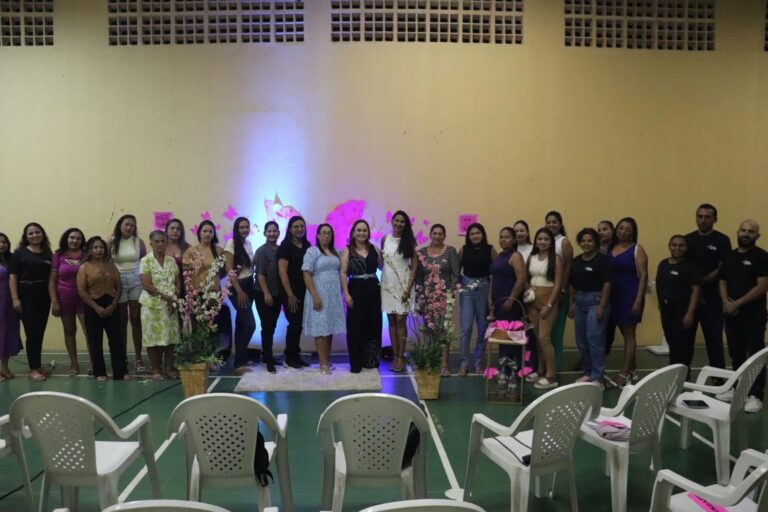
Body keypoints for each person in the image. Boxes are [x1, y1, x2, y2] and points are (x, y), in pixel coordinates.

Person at [719, 220, 768, 413]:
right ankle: (738, 389)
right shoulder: (729, 256)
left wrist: (737, 304)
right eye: (743, 230)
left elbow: (762, 286)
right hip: (732, 315)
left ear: (757, 236)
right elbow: (722, 281)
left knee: (755, 355)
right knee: (736, 353)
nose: (746, 234)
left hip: (753, 315)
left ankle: (755, 395)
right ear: (737, 232)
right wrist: (726, 302)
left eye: (751, 231)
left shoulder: (762, 257)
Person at [77, 236, 130, 381]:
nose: (99, 250)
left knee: (116, 339)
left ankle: (120, 372)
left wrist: (113, 305)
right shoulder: (84, 267)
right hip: (93, 306)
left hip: (111, 305)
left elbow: (119, 288)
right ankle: (99, 372)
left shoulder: (111, 266)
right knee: (95, 340)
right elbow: (81, 291)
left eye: (101, 247)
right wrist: (96, 308)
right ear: (89, 250)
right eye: (95, 247)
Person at [685, 204, 730, 372]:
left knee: (714, 342)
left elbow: (722, 268)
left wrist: (700, 282)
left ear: (715, 219)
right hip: (689, 300)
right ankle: (683, 380)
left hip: (713, 300)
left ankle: (719, 381)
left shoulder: (722, 240)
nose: (703, 220)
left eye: (707, 217)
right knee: (685, 342)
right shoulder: (687, 240)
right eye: (700, 216)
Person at [607, 217, 648, 388]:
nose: (623, 232)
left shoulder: (638, 249)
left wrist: (638, 300)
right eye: (621, 228)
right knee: (624, 334)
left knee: (629, 334)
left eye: (628, 229)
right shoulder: (611, 247)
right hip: (613, 296)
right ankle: (633, 369)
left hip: (630, 295)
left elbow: (643, 276)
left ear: (633, 232)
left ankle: (623, 374)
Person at [568, 228, 612, 389]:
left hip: (596, 302)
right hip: (579, 301)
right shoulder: (576, 261)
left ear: (596, 243)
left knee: (595, 339)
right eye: (583, 241)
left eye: (590, 241)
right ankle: (587, 372)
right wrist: (571, 303)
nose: (586, 243)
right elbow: (571, 284)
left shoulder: (603, 261)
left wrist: (602, 306)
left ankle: (598, 378)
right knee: (581, 340)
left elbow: (607, 284)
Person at [9, 222, 53, 382]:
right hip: (26, 296)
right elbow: (13, 276)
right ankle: (33, 369)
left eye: (37, 232)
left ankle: (37, 366)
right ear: (26, 237)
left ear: (43, 234)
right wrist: (15, 299)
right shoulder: (19, 253)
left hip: (44, 297)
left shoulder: (48, 254)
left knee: (39, 333)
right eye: (31, 233)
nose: (35, 235)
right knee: (32, 333)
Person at [183, 220, 231, 361]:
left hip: (214, 294)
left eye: (211, 231)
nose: (208, 234)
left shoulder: (219, 250)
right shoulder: (191, 251)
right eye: (205, 231)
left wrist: (214, 281)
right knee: (199, 327)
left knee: (214, 327)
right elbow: (186, 273)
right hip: (197, 295)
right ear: (199, 233)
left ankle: (213, 358)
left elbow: (224, 271)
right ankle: (200, 358)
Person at [415, 224, 459, 376]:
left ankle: (444, 363)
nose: (437, 236)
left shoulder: (450, 251)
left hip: (444, 298)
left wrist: (449, 294)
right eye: (435, 233)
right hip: (427, 297)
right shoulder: (422, 252)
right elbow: (419, 277)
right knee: (429, 329)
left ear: (444, 236)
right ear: (430, 234)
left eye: (440, 234)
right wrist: (420, 296)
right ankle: (431, 360)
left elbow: (456, 274)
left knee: (443, 330)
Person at [302, 224, 346, 374]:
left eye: (329, 233)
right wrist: (315, 295)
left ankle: (327, 360)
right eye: (323, 233)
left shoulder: (336, 251)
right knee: (321, 329)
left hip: (333, 296)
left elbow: (342, 272)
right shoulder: (312, 251)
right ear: (318, 235)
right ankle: (322, 364)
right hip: (318, 294)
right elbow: (306, 274)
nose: (326, 235)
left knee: (329, 328)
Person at [340, 220, 382, 373]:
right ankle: (356, 363)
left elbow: (382, 267)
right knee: (355, 326)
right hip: (355, 290)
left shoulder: (374, 249)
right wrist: (346, 294)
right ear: (353, 232)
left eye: (364, 230)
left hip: (373, 290)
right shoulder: (347, 250)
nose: (362, 233)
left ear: (368, 233)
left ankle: (371, 361)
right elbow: (343, 272)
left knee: (373, 324)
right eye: (359, 230)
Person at [488, 227, 527, 389]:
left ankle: (513, 373)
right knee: (502, 339)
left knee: (512, 339)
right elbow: (493, 278)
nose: (503, 240)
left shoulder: (515, 256)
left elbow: (521, 279)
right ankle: (503, 369)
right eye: (501, 237)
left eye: (507, 237)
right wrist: (490, 299)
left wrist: (511, 299)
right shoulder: (499, 256)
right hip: (498, 304)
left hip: (511, 304)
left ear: (514, 240)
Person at [139, 230, 181, 381]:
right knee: (153, 339)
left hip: (170, 305)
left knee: (170, 339)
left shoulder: (171, 261)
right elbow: (146, 285)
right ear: (151, 243)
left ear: (167, 242)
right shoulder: (146, 261)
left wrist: (174, 298)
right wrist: (166, 298)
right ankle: (156, 369)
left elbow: (177, 283)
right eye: (156, 241)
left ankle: (168, 368)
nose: (160, 244)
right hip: (151, 306)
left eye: (163, 241)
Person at [656, 235, 701, 374]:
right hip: (667, 311)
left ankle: (684, 375)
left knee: (683, 345)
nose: (677, 248)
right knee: (672, 343)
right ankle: (674, 373)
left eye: (681, 245)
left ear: (686, 248)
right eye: (674, 245)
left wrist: (690, 313)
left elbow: (696, 290)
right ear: (669, 246)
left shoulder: (690, 267)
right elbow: (659, 284)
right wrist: (661, 304)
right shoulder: (663, 264)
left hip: (683, 311)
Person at [525, 227, 563, 389]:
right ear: (535, 241)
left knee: (544, 338)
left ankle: (551, 376)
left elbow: (558, 285)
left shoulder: (556, 259)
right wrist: (528, 296)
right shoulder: (531, 257)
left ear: (551, 242)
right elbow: (527, 279)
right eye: (539, 239)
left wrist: (549, 305)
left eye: (546, 239)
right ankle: (541, 370)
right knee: (536, 337)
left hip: (548, 300)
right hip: (533, 301)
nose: (542, 242)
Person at [108, 214, 147, 373]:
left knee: (136, 319)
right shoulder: (111, 241)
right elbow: (105, 262)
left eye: (132, 225)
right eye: (126, 224)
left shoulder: (139, 242)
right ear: (120, 225)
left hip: (136, 280)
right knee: (121, 320)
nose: (129, 227)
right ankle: (123, 356)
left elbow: (145, 263)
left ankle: (138, 358)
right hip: (119, 281)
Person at [49, 227, 89, 376]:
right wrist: (54, 301)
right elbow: (52, 281)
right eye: (72, 237)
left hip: (84, 299)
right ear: (66, 238)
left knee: (89, 331)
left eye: (78, 238)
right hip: (64, 299)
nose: (75, 240)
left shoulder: (86, 255)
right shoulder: (58, 255)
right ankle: (74, 363)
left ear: (82, 241)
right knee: (69, 331)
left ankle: (94, 362)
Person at [381, 210, 417, 373]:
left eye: (402, 221)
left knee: (401, 320)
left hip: (404, 285)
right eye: (397, 220)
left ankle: (401, 356)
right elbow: (382, 264)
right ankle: (395, 355)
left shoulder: (410, 241)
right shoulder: (385, 239)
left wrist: (408, 289)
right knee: (392, 321)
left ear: (406, 224)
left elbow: (414, 266)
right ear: (392, 221)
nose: (399, 224)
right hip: (388, 284)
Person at [458, 223, 496, 376]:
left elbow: (497, 270)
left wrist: (492, 294)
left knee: (482, 328)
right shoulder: (463, 249)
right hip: (467, 288)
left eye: (478, 233)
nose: (475, 236)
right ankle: (464, 363)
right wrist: (460, 283)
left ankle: (478, 362)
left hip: (484, 288)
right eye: (472, 234)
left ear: (483, 234)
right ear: (468, 236)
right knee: (466, 328)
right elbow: (456, 270)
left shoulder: (490, 249)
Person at [277, 215, 311, 369]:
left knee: (299, 325)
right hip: (290, 292)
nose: (299, 229)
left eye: (302, 226)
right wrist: (290, 294)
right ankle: (289, 358)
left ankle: (295, 355)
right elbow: (282, 272)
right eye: (296, 226)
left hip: (305, 291)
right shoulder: (285, 247)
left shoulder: (307, 245)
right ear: (290, 230)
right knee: (294, 324)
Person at [225, 216, 256, 374]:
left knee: (242, 324)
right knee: (250, 325)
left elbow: (249, 268)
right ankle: (238, 362)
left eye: (246, 227)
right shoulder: (231, 243)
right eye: (241, 227)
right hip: (238, 287)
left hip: (249, 284)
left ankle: (241, 359)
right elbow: (229, 270)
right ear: (236, 229)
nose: (244, 230)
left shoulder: (248, 243)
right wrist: (239, 291)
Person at [545, 211, 573, 371]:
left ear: (560, 224)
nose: (551, 225)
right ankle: (544, 365)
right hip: (544, 292)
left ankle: (554, 368)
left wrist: (562, 289)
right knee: (545, 333)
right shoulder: (544, 241)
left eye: (554, 222)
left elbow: (568, 268)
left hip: (559, 292)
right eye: (548, 222)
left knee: (556, 331)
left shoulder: (564, 242)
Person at [253, 221, 281, 374]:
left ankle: (267, 355)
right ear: (264, 233)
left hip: (277, 294)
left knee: (273, 326)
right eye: (269, 231)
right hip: (263, 294)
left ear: (278, 233)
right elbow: (260, 274)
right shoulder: (261, 251)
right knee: (267, 326)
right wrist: (266, 293)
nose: (272, 233)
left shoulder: (281, 250)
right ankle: (268, 359)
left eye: (274, 231)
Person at [0, 233, 22, 382]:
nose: (1, 245)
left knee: (8, 333)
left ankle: (4, 367)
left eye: (4, 242)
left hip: (10, 303)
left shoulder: (11, 259)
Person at [597, 220, 618, 357]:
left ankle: (602, 356)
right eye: (599, 230)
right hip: (596, 292)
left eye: (605, 229)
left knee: (609, 327)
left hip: (614, 291)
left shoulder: (617, 248)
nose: (601, 232)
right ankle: (589, 357)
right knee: (594, 328)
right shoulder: (595, 247)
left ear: (613, 230)